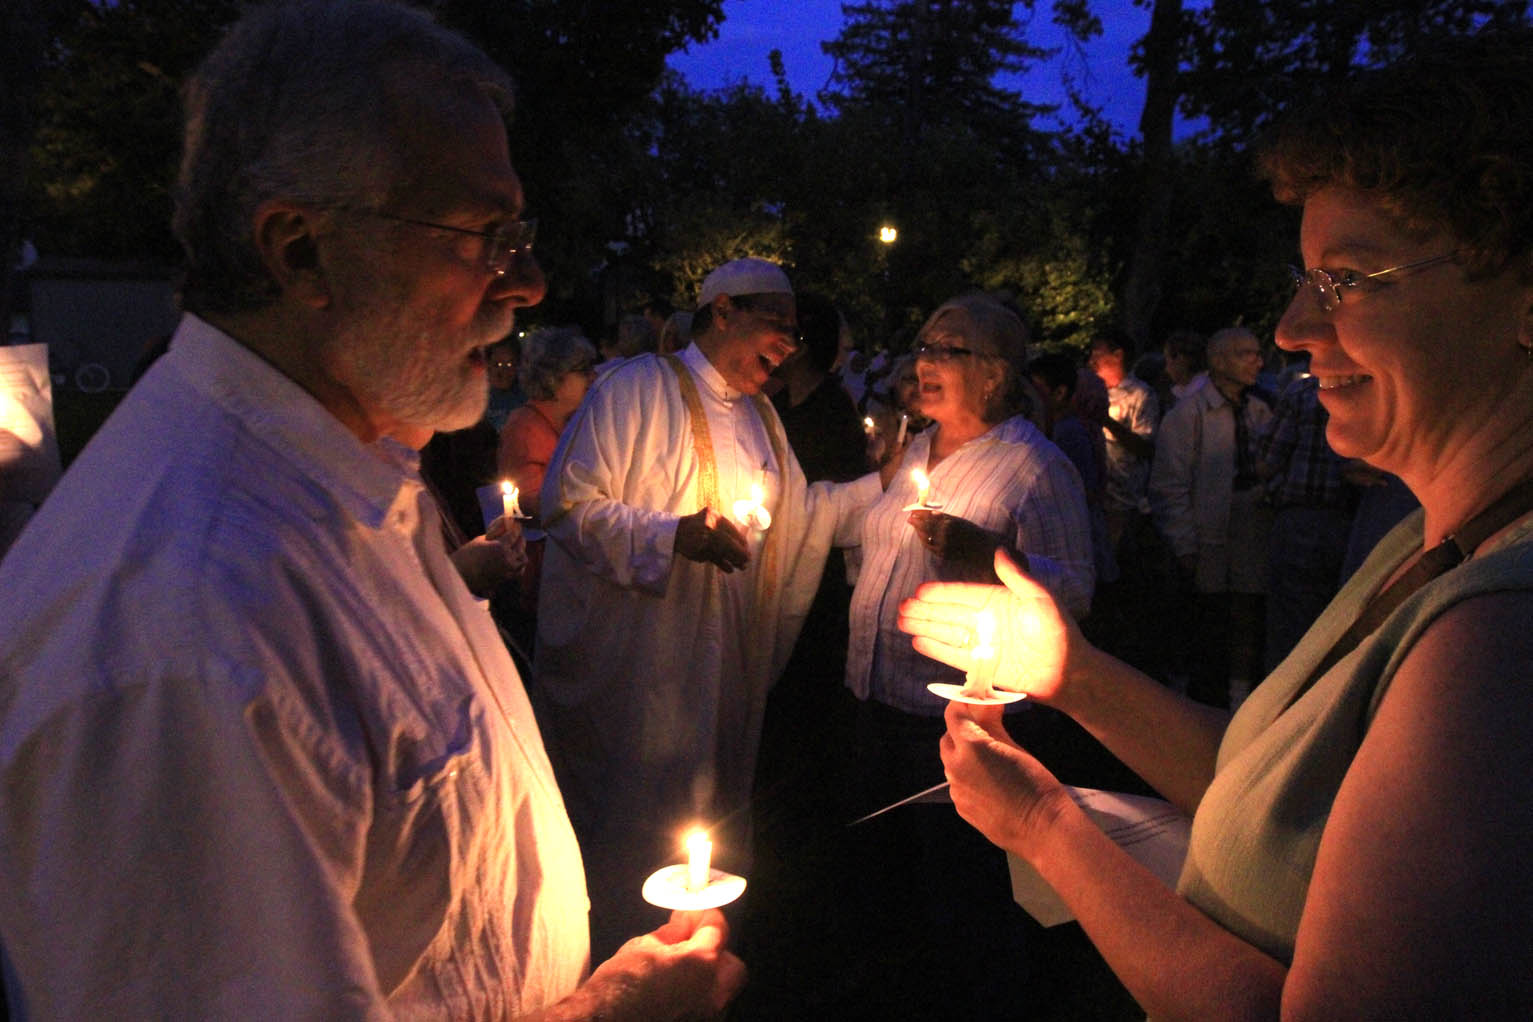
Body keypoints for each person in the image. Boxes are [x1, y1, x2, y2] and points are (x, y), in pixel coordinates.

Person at [0, 2, 744, 1017]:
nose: (526, 282)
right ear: (301, 251)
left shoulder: (352, 473)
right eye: (485, 236)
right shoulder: (181, 630)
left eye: (519, 234)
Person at [898, 30, 1533, 1016]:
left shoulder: (1499, 643)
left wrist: (1041, 818)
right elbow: (1258, 783)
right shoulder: (1427, 540)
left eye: (1347, 279)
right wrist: (1070, 670)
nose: (1291, 327)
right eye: (1304, 277)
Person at [534, 256, 882, 960]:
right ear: (721, 312)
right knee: (637, 823)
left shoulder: (761, 418)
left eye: (794, 334)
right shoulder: (636, 387)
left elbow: (798, 522)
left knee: (703, 814)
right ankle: (617, 968)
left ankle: (696, 966)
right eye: (775, 326)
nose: (788, 345)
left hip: (721, 671)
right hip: (643, 672)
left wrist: (885, 486)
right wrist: (673, 535)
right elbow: (568, 507)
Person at [839, 293, 1094, 1018]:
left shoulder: (1033, 468)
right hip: (871, 703)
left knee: (960, 888)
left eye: (945, 349)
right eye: (920, 346)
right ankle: (890, 985)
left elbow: (1075, 591)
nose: (923, 362)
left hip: (951, 719)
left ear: (993, 373)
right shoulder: (912, 450)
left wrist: (991, 555)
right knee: (883, 874)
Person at [1149, 326, 1274, 708]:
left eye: (1256, 353)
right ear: (1219, 361)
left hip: (1250, 526)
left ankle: (1239, 696)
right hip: (1208, 532)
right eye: (1245, 354)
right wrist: (1185, 542)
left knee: (1246, 609)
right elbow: (1170, 484)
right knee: (1204, 616)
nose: (1258, 361)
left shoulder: (1259, 409)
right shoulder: (1189, 415)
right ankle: (1196, 699)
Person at [495, 325, 599, 654]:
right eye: (583, 371)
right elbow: (535, 503)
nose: (593, 378)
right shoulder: (526, 428)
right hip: (537, 580)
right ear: (555, 378)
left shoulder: (566, 423)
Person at [1088, 328, 1160, 551]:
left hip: (1125, 499)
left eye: (1097, 353)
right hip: (1094, 498)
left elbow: (1145, 446)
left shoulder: (1140, 394)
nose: (1091, 360)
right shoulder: (1088, 391)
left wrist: (1106, 422)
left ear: (1117, 355)